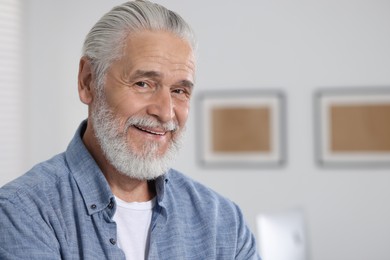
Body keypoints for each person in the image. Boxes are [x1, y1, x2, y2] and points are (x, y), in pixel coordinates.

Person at [0, 1, 261, 259]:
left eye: (179, 91)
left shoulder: (225, 224)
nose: (165, 112)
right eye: (143, 84)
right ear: (88, 81)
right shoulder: (23, 212)